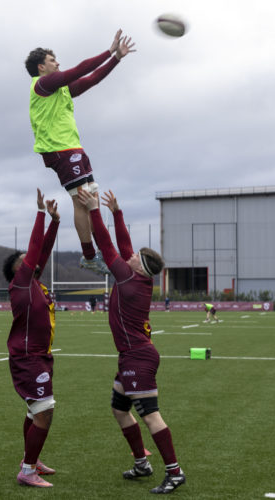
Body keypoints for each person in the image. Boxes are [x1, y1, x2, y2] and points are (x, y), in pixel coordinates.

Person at [78, 189, 186, 495]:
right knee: (119, 409)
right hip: (132, 356)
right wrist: (117, 213)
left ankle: (175, 472)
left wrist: (94, 210)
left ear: (140, 266)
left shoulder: (127, 278)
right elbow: (123, 246)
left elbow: (107, 245)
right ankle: (141, 463)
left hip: (137, 357)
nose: (132, 254)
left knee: (150, 416)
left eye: (137, 256)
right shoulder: (138, 276)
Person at [25, 30, 135, 276]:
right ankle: (89, 256)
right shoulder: (43, 84)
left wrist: (116, 58)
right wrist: (108, 51)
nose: (58, 63)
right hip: (59, 150)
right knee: (81, 200)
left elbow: (92, 78)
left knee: (91, 199)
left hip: (74, 148)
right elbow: (79, 70)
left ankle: (103, 251)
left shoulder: (60, 89)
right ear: (41, 67)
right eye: (52, 60)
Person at [2, 189, 60, 488]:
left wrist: (55, 222)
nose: (34, 261)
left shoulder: (32, 282)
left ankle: (31, 461)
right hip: (28, 359)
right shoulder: (21, 284)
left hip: (40, 356)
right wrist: (39, 213)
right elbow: (36, 248)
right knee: (44, 411)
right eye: (26, 260)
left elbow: (42, 250)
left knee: (34, 410)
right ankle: (27, 471)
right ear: (18, 269)